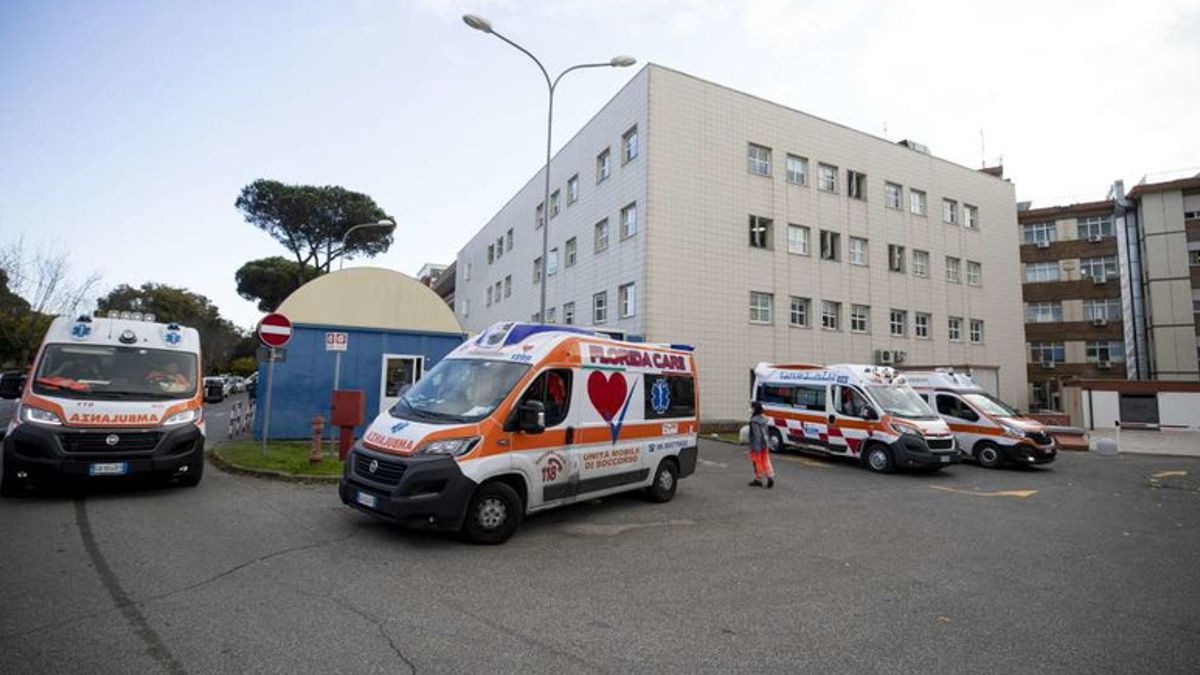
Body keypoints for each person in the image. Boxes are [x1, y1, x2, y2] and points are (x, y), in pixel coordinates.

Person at [747, 402, 775, 488]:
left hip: (757, 445)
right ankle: (770, 476)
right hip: (765, 444)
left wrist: (756, 447)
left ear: (754, 409)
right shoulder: (764, 419)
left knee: (756, 461)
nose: (750, 409)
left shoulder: (754, 421)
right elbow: (766, 432)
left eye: (751, 408)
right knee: (765, 460)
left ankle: (758, 479)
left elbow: (757, 435)